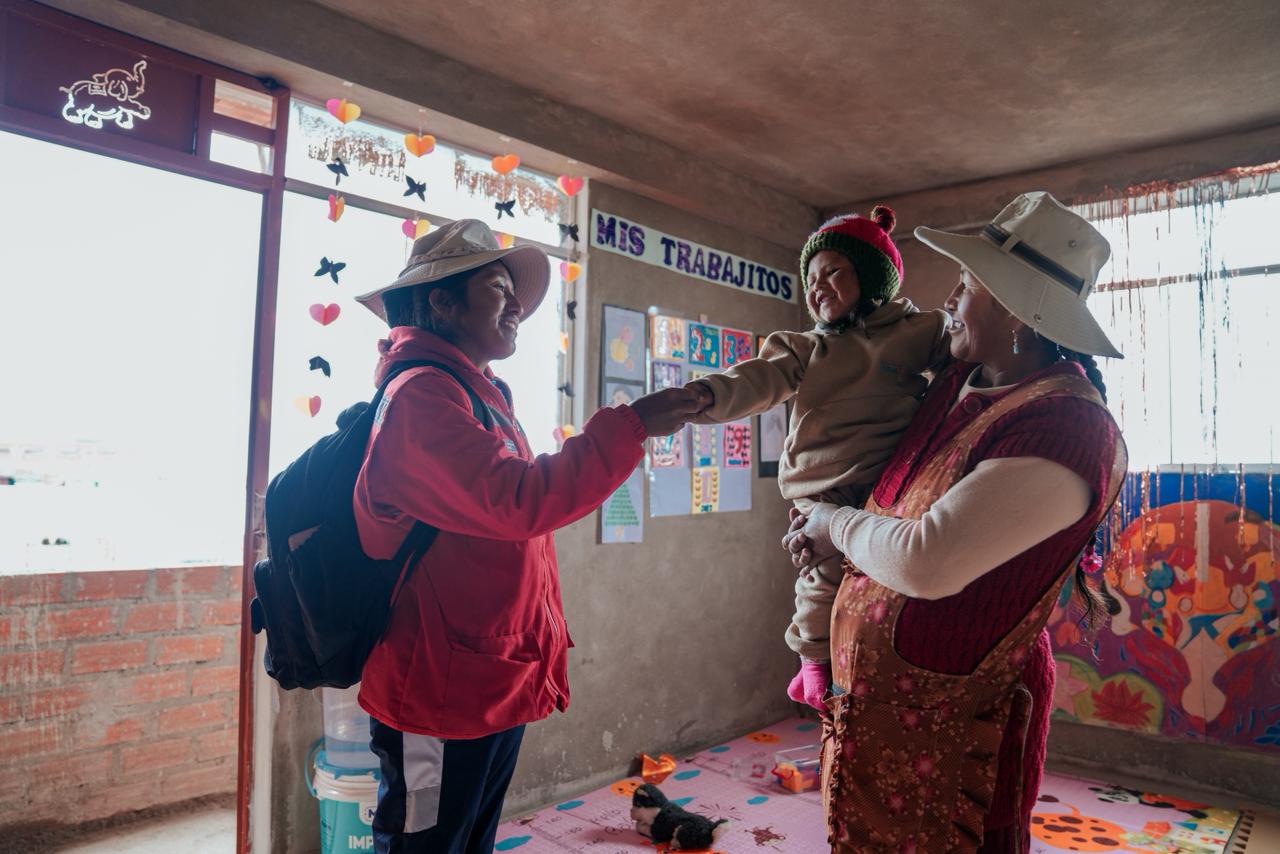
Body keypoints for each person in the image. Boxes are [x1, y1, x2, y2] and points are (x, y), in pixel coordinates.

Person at [784, 191, 1128, 852]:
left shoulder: (1066, 426)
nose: (949, 301)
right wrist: (825, 522)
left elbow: (926, 559)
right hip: (880, 720)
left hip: (957, 734)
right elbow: (889, 500)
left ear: (1016, 310)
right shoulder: (958, 383)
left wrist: (832, 522)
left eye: (966, 285)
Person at [349, 219, 700, 854]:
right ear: (441, 300)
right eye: (497, 286)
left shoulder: (477, 395)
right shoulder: (421, 400)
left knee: (469, 841)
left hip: (487, 678)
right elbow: (524, 500)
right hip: (437, 695)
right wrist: (631, 426)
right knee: (426, 847)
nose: (517, 306)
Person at [684, 206, 950, 709]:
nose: (818, 286)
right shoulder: (804, 348)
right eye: (810, 278)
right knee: (819, 577)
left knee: (884, 581)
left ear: (872, 280)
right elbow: (756, 379)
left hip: (888, 484)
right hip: (820, 490)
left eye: (833, 272)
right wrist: (704, 397)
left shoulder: (919, 331)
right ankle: (812, 668)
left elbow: (964, 358)